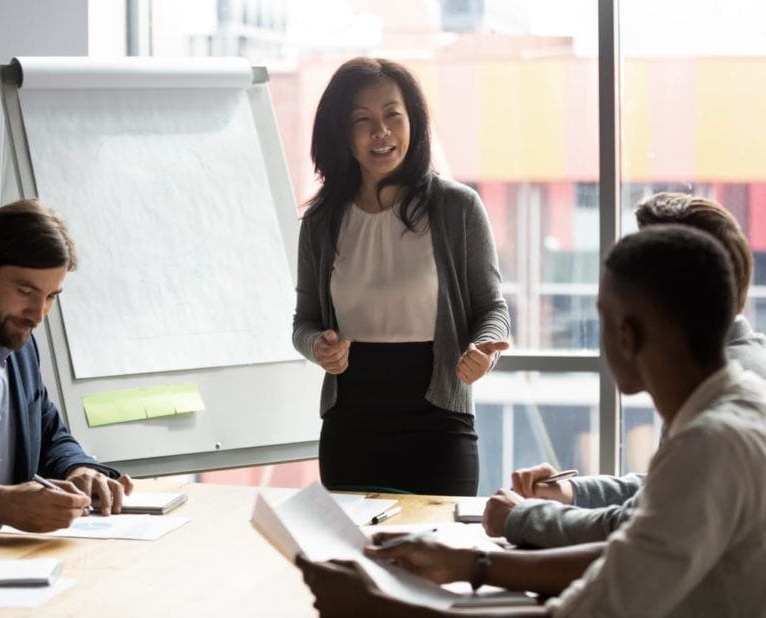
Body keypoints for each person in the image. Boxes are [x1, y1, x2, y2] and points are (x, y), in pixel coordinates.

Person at [298, 225, 766, 617]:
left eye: (600, 318)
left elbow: (583, 610)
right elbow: (627, 555)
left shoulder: (707, 447)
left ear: (626, 335)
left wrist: (379, 607)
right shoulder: (740, 405)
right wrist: (469, 564)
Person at [489, 192, 766, 548]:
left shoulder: (717, 406)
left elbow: (636, 530)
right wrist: (570, 491)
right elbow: (666, 491)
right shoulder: (730, 368)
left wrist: (519, 520)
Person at [292, 57, 510, 496]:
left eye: (393, 115)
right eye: (363, 120)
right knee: (352, 560)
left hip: (439, 421)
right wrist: (318, 346)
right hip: (350, 425)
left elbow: (492, 308)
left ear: (414, 122)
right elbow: (304, 322)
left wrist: (484, 349)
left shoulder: (457, 208)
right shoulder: (320, 222)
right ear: (341, 132)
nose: (382, 132)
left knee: (442, 559)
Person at [0, 199, 133, 538]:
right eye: (25, 291)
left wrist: (78, 466)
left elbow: (47, 431)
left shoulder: (21, 343)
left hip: (15, 562)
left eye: (50, 296)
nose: (38, 313)